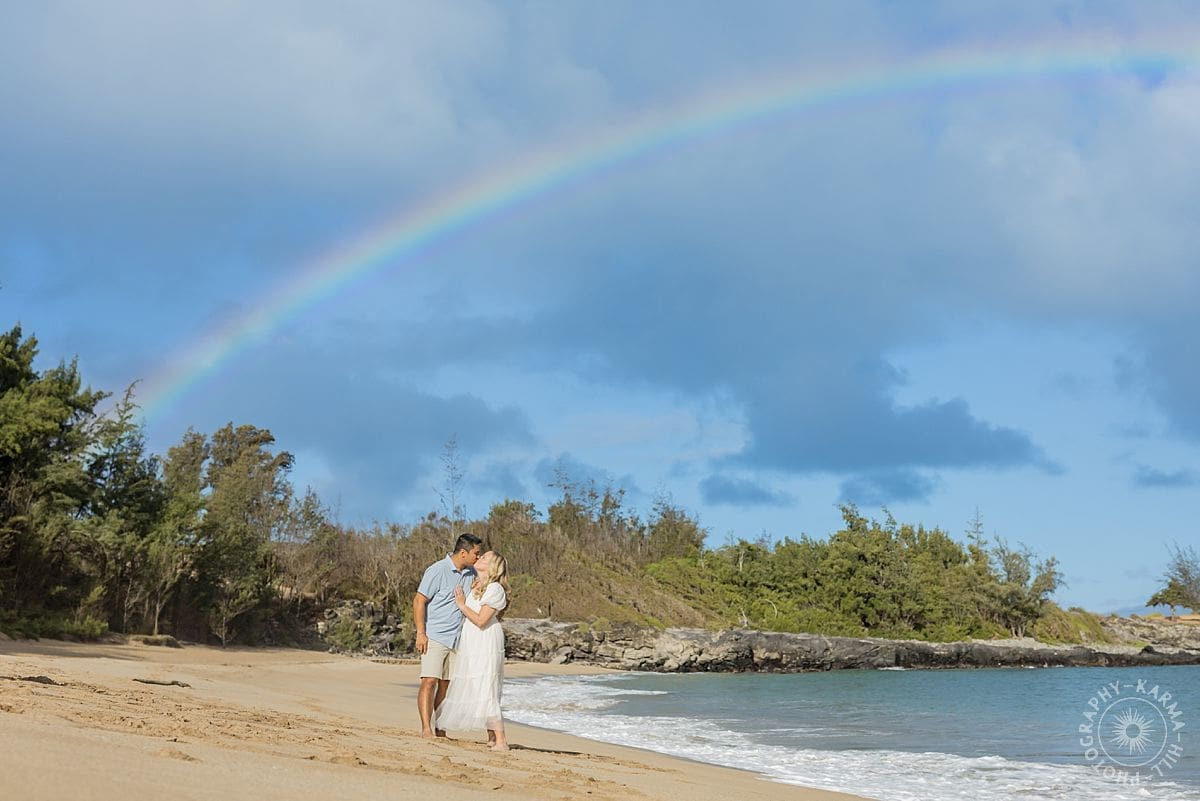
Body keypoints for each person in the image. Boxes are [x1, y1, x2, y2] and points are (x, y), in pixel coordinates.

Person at [434, 549, 511, 750]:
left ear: (493, 566)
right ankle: (492, 737)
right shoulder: (477, 585)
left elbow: (481, 620)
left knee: (486, 687)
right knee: (478, 686)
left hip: (485, 639)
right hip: (473, 639)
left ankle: (501, 740)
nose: (479, 557)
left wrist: (461, 605)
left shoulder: (495, 589)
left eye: (484, 557)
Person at [413, 532, 483, 738]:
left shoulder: (471, 573)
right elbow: (419, 601)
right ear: (463, 553)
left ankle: (440, 728)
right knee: (429, 681)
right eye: (476, 553)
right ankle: (426, 728)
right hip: (434, 636)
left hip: (458, 639)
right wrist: (420, 633)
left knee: (446, 686)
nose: (478, 557)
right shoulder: (437, 570)